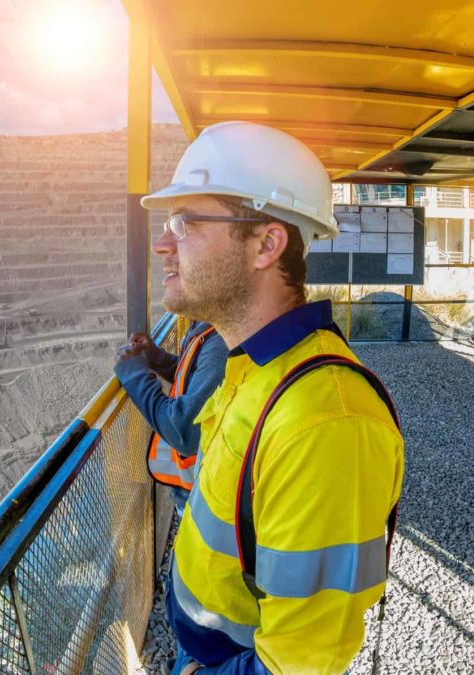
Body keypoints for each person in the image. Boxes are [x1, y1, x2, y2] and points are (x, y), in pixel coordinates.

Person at [139, 121, 405, 674]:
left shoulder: (325, 422)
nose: (163, 243)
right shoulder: (251, 364)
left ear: (266, 243)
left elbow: (297, 666)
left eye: (185, 222)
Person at [114, 316, 227, 515]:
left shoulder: (220, 342)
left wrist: (133, 375)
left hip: (203, 498)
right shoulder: (207, 328)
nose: (168, 284)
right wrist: (156, 358)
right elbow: (197, 379)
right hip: (198, 489)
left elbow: (182, 430)